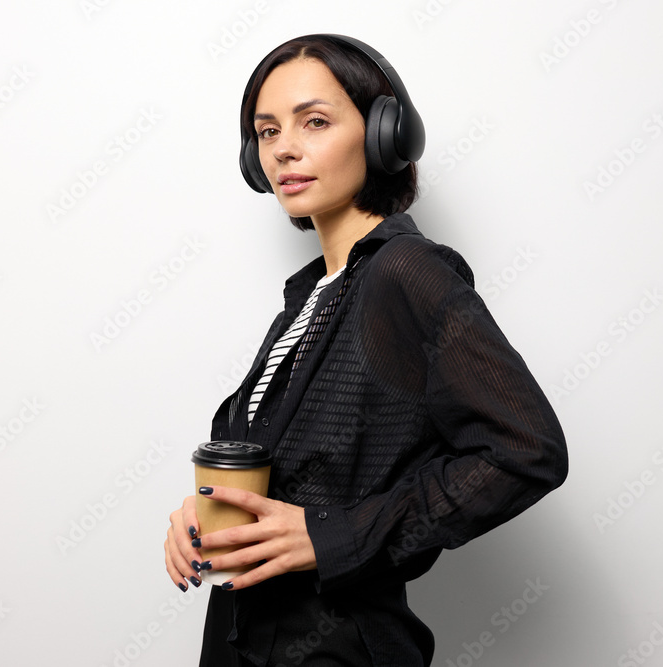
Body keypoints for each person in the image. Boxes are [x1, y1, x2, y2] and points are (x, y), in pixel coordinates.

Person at [163, 33, 568, 666]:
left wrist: (332, 536)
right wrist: (203, 515)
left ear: (384, 135)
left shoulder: (406, 272)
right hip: (241, 640)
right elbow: (281, 474)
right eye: (267, 133)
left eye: (314, 121)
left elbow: (526, 450)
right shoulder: (313, 296)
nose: (284, 149)